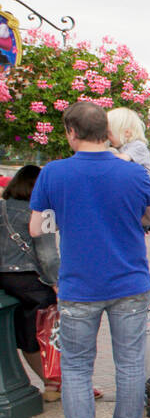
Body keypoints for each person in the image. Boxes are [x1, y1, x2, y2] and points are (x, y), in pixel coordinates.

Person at [29, 101, 150, 418]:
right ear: (106, 132)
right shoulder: (133, 173)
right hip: (130, 282)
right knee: (130, 364)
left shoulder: (53, 173)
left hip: (77, 286)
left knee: (75, 368)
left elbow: (35, 229)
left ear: (71, 132)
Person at [1, 165, 61, 400]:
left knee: (26, 331)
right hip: (29, 279)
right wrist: (56, 284)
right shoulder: (42, 212)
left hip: (4, 279)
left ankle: (52, 384)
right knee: (47, 327)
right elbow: (48, 256)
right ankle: (53, 384)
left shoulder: (2, 206)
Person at [106, 107, 150, 175]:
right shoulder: (119, 146)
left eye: (109, 133)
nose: (107, 137)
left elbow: (123, 159)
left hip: (139, 181)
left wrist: (102, 155)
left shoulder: (138, 145)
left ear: (127, 133)